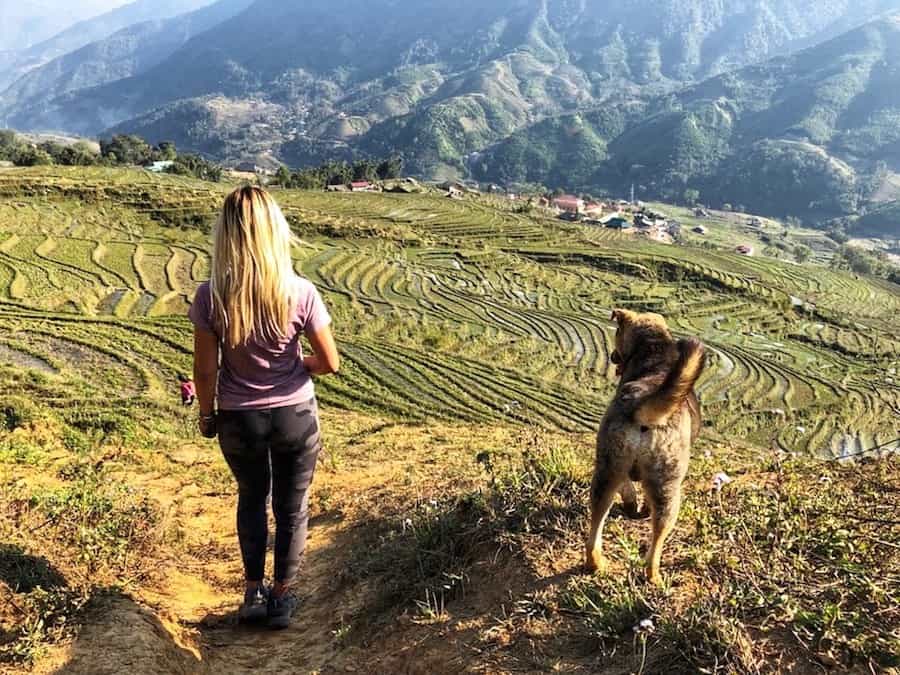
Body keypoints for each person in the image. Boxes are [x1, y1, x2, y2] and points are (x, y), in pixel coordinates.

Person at [189, 186, 340, 629]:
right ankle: (282, 597)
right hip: (295, 414)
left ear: (227, 235)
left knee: (252, 498)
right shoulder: (301, 291)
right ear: (275, 232)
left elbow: (204, 372)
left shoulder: (210, 296)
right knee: (292, 507)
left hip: (239, 417)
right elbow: (330, 362)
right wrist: (298, 365)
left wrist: (207, 415)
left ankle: (253, 591)